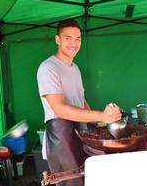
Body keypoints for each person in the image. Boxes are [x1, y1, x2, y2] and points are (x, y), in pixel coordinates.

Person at [37, 19, 121, 186]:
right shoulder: (48, 68)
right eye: (68, 38)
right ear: (57, 39)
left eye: (78, 39)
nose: (74, 44)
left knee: (87, 179)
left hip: (79, 133)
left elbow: (80, 101)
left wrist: (99, 121)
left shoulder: (74, 68)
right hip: (61, 138)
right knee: (70, 182)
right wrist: (101, 115)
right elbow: (59, 109)